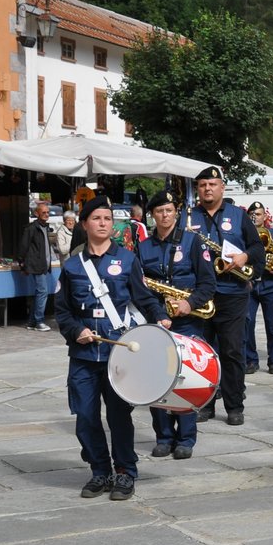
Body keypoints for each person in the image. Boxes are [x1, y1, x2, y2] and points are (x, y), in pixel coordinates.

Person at [56, 196, 170, 500]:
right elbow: (62, 310)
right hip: (83, 355)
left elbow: (143, 297)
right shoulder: (72, 266)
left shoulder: (128, 260)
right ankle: (99, 471)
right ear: (85, 224)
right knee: (85, 416)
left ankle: (124, 473)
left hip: (118, 353)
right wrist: (75, 330)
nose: (103, 223)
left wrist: (160, 317)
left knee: (119, 416)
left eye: (108, 218)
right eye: (96, 218)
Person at [136, 190, 215, 460]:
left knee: (185, 378)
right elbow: (140, 288)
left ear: (176, 212)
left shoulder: (193, 242)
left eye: (169, 210)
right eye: (159, 211)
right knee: (155, 378)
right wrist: (158, 312)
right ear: (152, 215)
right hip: (157, 319)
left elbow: (208, 284)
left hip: (187, 321)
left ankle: (186, 438)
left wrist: (189, 304)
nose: (165, 215)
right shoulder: (143, 246)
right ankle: (163, 436)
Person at [185, 167, 263, 425]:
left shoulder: (238, 216)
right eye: (203, 184)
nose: (208, 188)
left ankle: (234, 405)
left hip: (232, 293)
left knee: (231, 351)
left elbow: (257, 248)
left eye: (213, 184)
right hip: (199, 296)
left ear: (222, 187)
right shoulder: (187, 218)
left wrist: (244, 257)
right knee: (202, 353)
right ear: (198, 188)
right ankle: (205, 404)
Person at [243, 202, 273, 375]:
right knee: (248, 323)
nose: (256, 217)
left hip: (269, 285)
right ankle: (251, 360)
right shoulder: (244, 235)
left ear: (265, 216)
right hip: (251, 285)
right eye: (252, 214)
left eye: (259, 214)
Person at [19, 201, 59, 332]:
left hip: (44, 264)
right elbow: (24, 247)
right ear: (37, 213)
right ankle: (39, 321)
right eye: (44, 212)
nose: (46, 214)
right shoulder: (31, 228)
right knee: (42, 292)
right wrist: (22, 263)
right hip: (36, 264)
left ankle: (32, 321)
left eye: (48, 212)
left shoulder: (46, 227)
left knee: (39, 293)